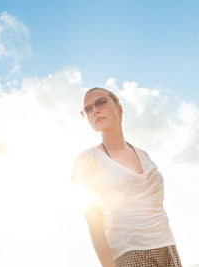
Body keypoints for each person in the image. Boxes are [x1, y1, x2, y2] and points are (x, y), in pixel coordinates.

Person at [70, 87, 182, 267]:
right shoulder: (88, 160)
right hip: (129, 253)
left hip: (167, 247)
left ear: (119, 109)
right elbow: (95, 224)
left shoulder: (144, 155)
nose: (94, 110)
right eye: (88, 109)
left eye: (100, 102)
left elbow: (156, 203)